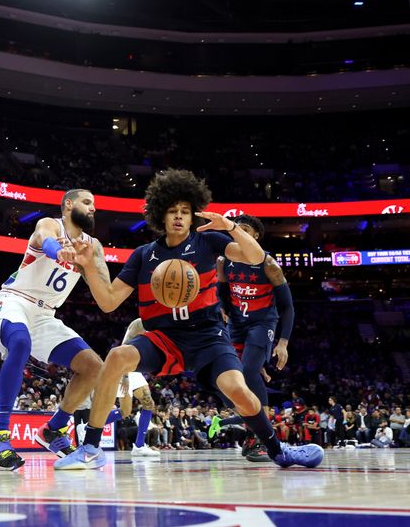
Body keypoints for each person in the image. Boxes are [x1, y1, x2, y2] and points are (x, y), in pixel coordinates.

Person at [55, 168, 324, 470]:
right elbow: (108, 302)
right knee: (117, 356)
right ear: (161, 214)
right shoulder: (144, 255)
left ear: (193, 214)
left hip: (208, 336)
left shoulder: (208, 242)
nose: (179, 217)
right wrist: (89, 267)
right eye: (172, 211)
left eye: (185, 211)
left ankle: (278, 451)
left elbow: (256, 257)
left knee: (239, 391)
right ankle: (91, 447)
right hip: (165, 338)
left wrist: (231, 227)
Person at [0, 189, 111, 470]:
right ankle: (0, 435)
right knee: (20, 343)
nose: (93, 208)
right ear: (68, 205)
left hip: (45, 315)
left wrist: (90, 266)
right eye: (87, 202)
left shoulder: (94, 246)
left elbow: (106, 295)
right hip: (14, 300)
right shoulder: (52, 224)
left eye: (94, 204)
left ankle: (54, 429)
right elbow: (44, 237)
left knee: (93, 366)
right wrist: (60, 251)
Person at [208, 214, 294, 461]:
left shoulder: (268, 265)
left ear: (255, 236)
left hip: (262, 322)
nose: (238, 233)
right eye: (235, 229)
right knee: (230, 378)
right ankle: (252, 433)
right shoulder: (224, 261)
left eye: (245, 230)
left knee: (247, 372)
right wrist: (221, 308)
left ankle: (258, 437)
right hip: (237, 322)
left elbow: (287, 306)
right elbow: (223, 292)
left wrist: (283, 343)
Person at [117, 318, 160, 457]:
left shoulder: (160, 322)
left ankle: (139, 446)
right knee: (125, 412)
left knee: (148, 403)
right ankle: (87, 427)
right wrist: (124, 376)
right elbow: (123, 348)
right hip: (124, 367)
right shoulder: (140, 323)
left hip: (134, 368)